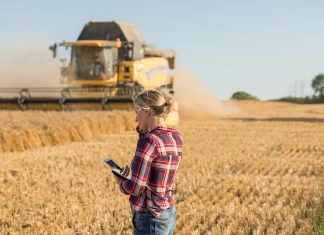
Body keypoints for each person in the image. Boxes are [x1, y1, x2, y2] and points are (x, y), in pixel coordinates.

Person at [113, 89, 183, 235]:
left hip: (150, 218)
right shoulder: (176, 137)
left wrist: (121, 182)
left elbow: (136, 188)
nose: (135, 118)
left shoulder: (148, 142)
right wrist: (143, 129)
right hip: (167, 212)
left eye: (136, 111)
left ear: (147, 111)